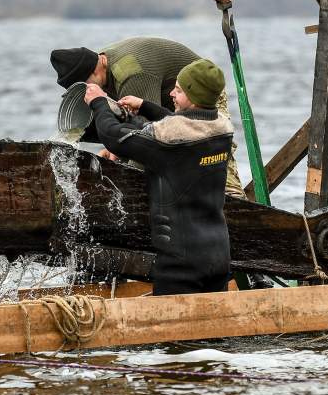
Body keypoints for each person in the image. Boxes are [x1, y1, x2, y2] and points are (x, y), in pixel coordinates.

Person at [82, 59, 232, 295]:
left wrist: (99, 103)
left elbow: (113, 136)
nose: (171, 92)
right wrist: (144, 106)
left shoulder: (168, 142)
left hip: (180, 266)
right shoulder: (221, 130)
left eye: (179, 90)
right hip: (219, 257)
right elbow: (182, 124)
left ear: (194, 97)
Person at [50, 37, 246, 198]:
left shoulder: (130, 72)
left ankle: (235, 202)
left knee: (207, 149)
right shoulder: (98, 64)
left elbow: (149, 136)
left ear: (96, 67)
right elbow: (136, 124)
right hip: (169, 98)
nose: (88, 92)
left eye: (88, 86)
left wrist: (126, 182)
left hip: (199, 90)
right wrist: (114, 151)